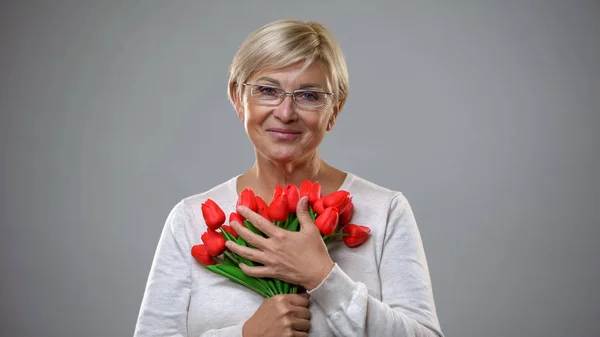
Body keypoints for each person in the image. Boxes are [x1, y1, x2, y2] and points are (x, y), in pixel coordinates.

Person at [133, 19, 444, 337]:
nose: (285, 113)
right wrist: (246, 335)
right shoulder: (188, 220)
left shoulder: (385, 210)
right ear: (239, 100)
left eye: (309, 96)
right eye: (267, 91)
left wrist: (323, 276)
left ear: (334, 110)